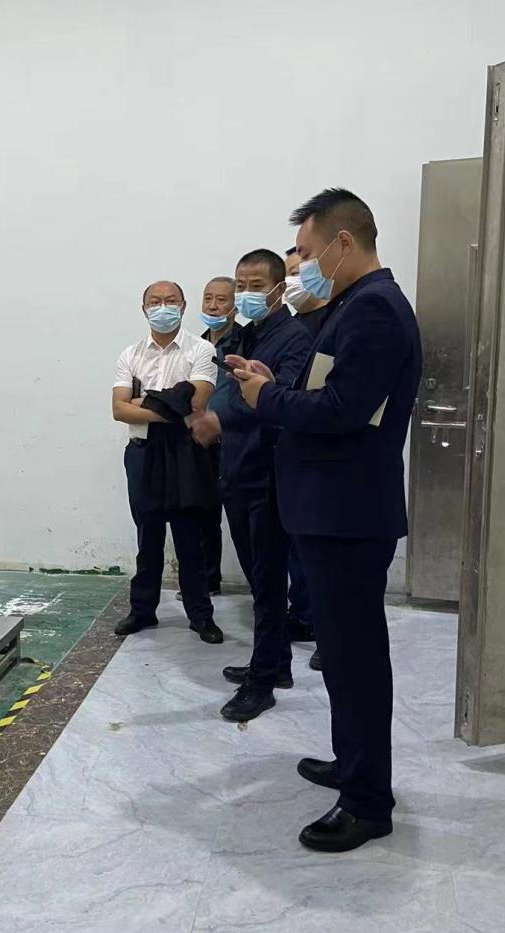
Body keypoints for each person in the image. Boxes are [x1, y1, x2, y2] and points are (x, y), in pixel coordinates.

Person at [231, 188, 421, 853]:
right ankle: (352, 763)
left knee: (356, 659)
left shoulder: (374, 310)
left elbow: (342, 411)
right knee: (341, 656)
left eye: (306, 252)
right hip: (332, 509)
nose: (301, 267)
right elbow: (327, 393)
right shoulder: (352, 306)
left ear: (343, 242)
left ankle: (367, 802)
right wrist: (272, 382)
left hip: (348, 513)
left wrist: (265, 398)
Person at [189, 251, 311, 722]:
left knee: (267, 581)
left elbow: (277, 398)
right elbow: (226, 387)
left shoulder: (294, 338)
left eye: (255, 286)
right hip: (237, 470)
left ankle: (262, 682)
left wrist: (218, 419)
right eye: (240, 285)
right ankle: (275, 662)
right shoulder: (246, 334)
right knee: (260, 580)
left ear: (279, 288)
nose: (245, 294)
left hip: (268, 475)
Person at [112, 280, 225, 645]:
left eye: (171, 300)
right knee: (147, 535)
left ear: (183, 305)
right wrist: (172, 403)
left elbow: (196, 402)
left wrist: (143, 401)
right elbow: (118, 409)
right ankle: (142, 609)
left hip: (185, 452)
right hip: (142, 453)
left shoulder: (201, 349)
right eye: (155, 301)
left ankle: (200, 615)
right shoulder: (130, 354)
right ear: (144, 308)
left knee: (190, 536)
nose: (163, 307)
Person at [282, 245, 329, 665]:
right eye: (289, 274)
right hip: (293, 448)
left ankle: (330, 637)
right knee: (298, 547)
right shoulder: (294, 326)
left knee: (325, 556)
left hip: (328, 453)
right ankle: (303, 616)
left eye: (299, 271)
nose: (293, 281)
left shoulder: (337, 320)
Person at [184, 276, 241, 601]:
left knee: (242, 516)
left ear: (235, 305)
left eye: (221, 299)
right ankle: (208, 579)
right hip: (199, 440)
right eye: (208, 299)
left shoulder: (244, 342)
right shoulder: (195, 345)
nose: (213, 306)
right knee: (203, 512)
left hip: (233, 439)